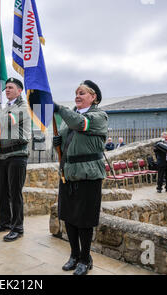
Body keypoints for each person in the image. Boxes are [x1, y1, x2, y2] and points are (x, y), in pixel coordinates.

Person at [52, 80, 108, 275]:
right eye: (76, 92)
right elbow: (67, 147)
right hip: (68, 174)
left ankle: (85, 258)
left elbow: (80, 124)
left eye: (82, 93)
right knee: (69, 218)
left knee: (84, 221)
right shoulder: (70, 119)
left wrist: (59, 108)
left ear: (93, 97)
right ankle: (74, 255)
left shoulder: (98, 116)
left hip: (88, 175)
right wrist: (57, 143)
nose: (77, 95)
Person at [0, 77, 31, 242]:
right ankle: (4, 222)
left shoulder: (23, 107)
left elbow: (7, 122)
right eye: (6, 88)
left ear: (19, 91)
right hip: (3, 154)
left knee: (14, 193)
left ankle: (18, 228)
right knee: (2, 192)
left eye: (11, 87)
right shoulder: (6, 107)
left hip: (17, 155)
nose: (7, 90)